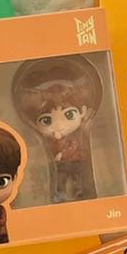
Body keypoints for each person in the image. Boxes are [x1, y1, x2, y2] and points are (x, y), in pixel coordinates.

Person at [12, 57, 101, 202]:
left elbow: (75, 146)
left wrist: (63, 153)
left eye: (69, 115)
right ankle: (59, 196)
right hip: (57, 165)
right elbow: (46, 151)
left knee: (78, 179)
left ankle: (81, 193)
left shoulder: (76, 137)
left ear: (83, 112)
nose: (59, 125)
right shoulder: (46, 140)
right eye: (47, 120)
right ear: (33, 122)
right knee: (59, 181)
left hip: (76, 161)